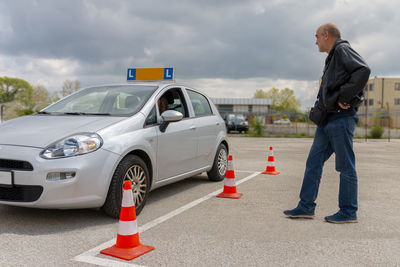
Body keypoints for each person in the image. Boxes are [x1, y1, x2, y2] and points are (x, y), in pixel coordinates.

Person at [284, 23, 370, 223]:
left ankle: (348, 212)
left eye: (316, 37)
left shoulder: (342, 49)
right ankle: (306, 206)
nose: (315, 41)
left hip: (341, 119)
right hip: (327, 120)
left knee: (345, 166)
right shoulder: (332, 57)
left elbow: (363, 70)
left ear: (326, 35)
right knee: (313, 162)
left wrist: (344, 97)